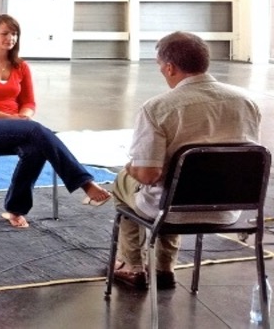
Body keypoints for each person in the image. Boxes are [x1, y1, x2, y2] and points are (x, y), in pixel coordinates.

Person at [110, 31, 261, 290]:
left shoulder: (157, 108)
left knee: (124, 184)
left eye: (159, 66)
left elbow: (147, 175)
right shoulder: (246, 102)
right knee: (180, 185)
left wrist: (129, 167)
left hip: (171, 212)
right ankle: (164, 268)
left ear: (169, 67)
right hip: (227, 210)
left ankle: (132, 266)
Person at [0, 14, 112, 228]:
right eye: (5, 33)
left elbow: (29, 102)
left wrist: (24, 116)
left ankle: (15, 210)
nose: (10, 38)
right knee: (36, 132)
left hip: (19, 127)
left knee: (35, 149)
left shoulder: (21, 66)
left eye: (14, 34)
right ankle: (85, 184)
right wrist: (12, 119)